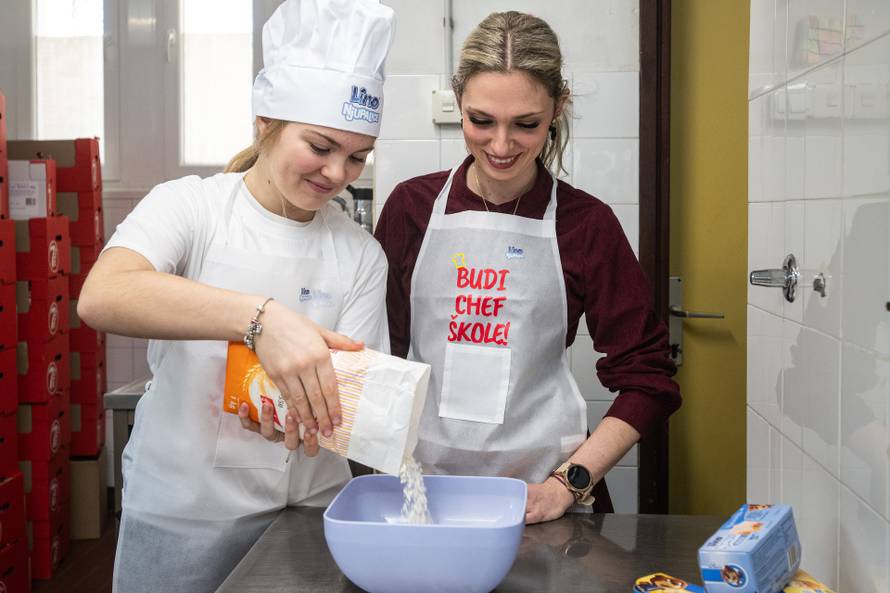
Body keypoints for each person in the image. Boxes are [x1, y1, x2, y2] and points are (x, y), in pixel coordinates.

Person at [77, 1, 395, 591]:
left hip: (305, 515)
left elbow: (351, 396)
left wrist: (321, 416)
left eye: (356, 156)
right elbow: (104, 295)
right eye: (321, 146)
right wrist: (261, 319)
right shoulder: (191, 206)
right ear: (265, 123)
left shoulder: (358, 253)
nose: (337, 173)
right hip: (181, 514)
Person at [373, 11, 681, 523]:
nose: (500, 145)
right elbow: (380, 356)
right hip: (425, 496)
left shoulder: (587, 225)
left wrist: (569, 483)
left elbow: (649, 379)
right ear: (459, 101)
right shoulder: (411, 208)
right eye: (481, 121)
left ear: (558, 108)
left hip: (545, 500)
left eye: (526, 124)